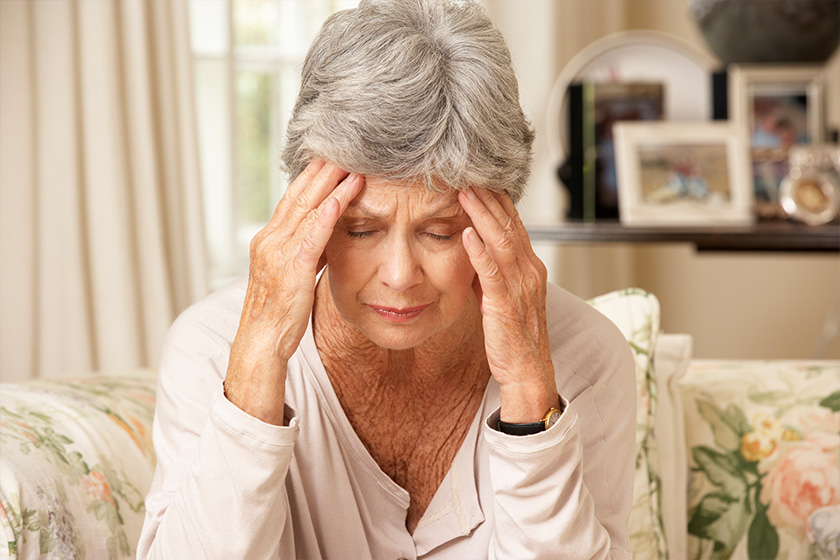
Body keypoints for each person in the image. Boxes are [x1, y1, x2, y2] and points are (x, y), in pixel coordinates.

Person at [137, 0, 636, 558]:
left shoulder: (585, 359)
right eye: (360, 229)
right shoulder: (211, 348)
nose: (399, 277)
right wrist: (257, 366)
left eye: (441, 232)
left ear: (503, 219)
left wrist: (528, 392)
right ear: (308, 214)